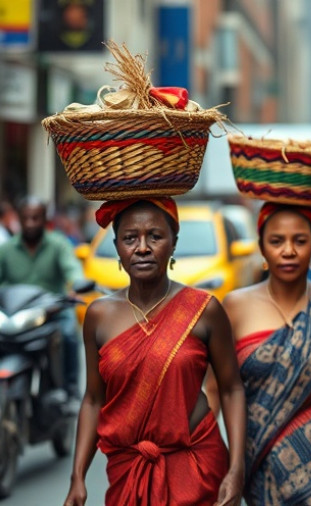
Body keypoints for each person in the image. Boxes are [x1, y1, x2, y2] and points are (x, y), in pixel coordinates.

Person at [63, 198, 246, 506]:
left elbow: (231, 389)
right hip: (128, 472)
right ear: (118, 247)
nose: (142, 247)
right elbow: (94, 398)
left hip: (197, 467)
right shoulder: (99, 316)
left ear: (173, 243)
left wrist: (237, 469)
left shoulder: (204, 310)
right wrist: (77, 477)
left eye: (155, 236)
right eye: (130, 238)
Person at [223, 202, 311, 504]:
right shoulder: (234, 307)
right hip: (259, 465)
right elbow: (218, 389)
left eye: (300, 240)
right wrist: (231, 465)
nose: (289, 250)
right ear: (261, 247)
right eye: (277, 241)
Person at [0, 197, 83, 398]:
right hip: (15, 316)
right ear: (19, 218)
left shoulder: (58, 245)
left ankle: (70, 391)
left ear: (45, 219)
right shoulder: (7, 249)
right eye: (26, 218)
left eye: (36, 218)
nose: (30, 223)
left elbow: (73, 271)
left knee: (69, 334)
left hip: (51, 312)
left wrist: (76, 285)